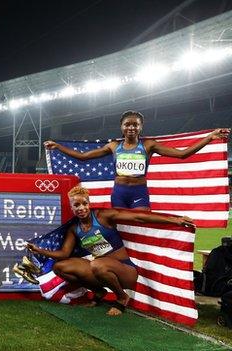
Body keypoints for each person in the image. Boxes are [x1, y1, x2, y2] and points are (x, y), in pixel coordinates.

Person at [25, 185, 195, 316]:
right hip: (100, 269)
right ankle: (99, 292)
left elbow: (139, 217)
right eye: (76, 205)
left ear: (89, 203)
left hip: (125, 270)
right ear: (72, 207)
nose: (81, 208)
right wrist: (39, 250)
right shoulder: (74, 229)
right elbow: (63, 254)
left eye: (84, 203)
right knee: (60, 267)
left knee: (97, 264)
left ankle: (121, 298)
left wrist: (175, 220)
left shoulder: (103, 216)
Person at [44, 110, 229, 210]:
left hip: (139, 192)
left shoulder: (148, 145)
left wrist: (210, 137)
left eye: (135, 124)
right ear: (121, 127)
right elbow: (83, 157)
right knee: (122, 231)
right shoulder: (114, 147)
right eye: (127, 124)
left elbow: (183, 154)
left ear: (141, 127)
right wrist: (58, 147)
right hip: (119, 192)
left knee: (141, 228)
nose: (131, 127)